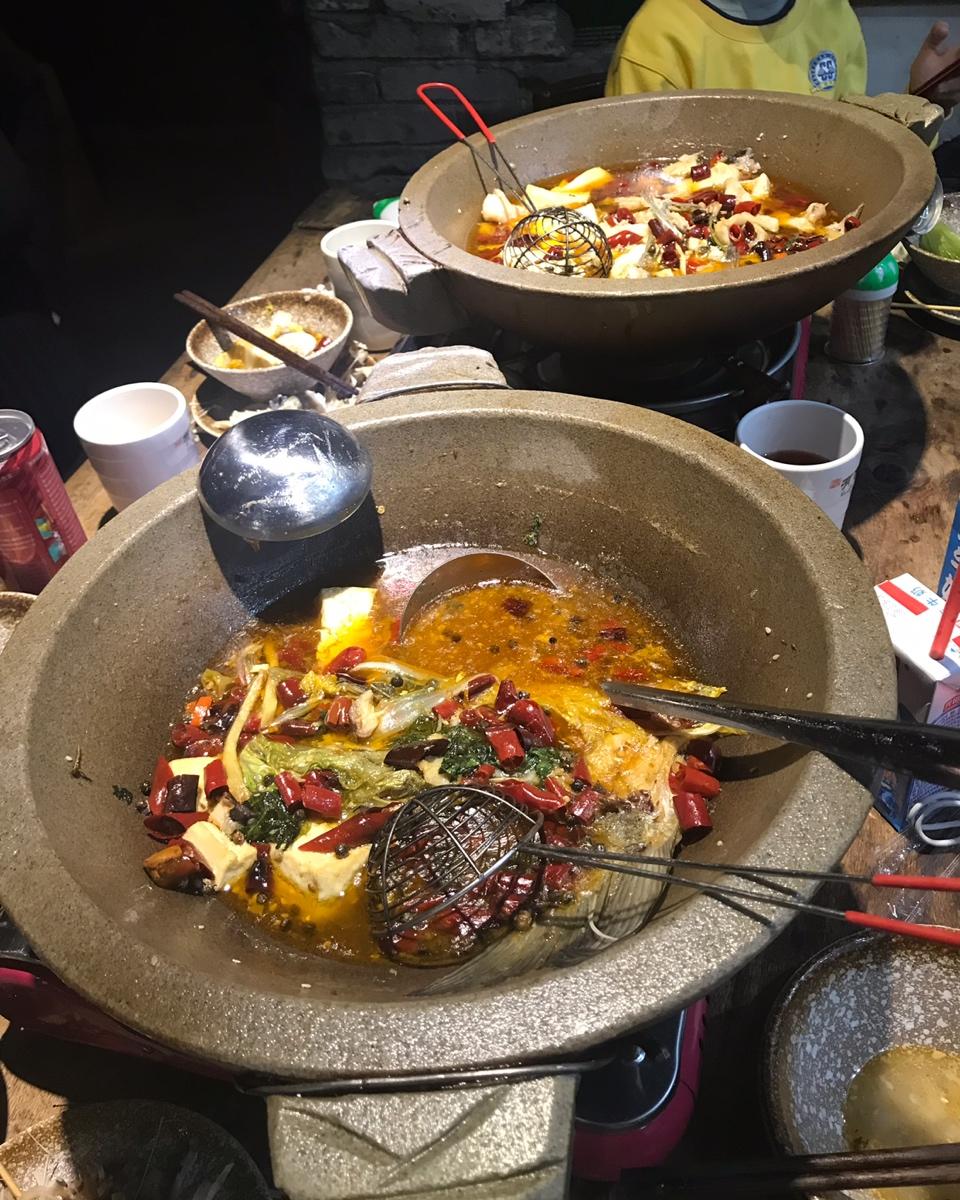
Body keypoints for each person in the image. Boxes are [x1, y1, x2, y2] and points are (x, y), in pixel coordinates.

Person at [606, 2, 960, 112]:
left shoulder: (832, 14)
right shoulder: (655, 40)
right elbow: (637, 190)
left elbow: (854, 155)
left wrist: (923, 102)